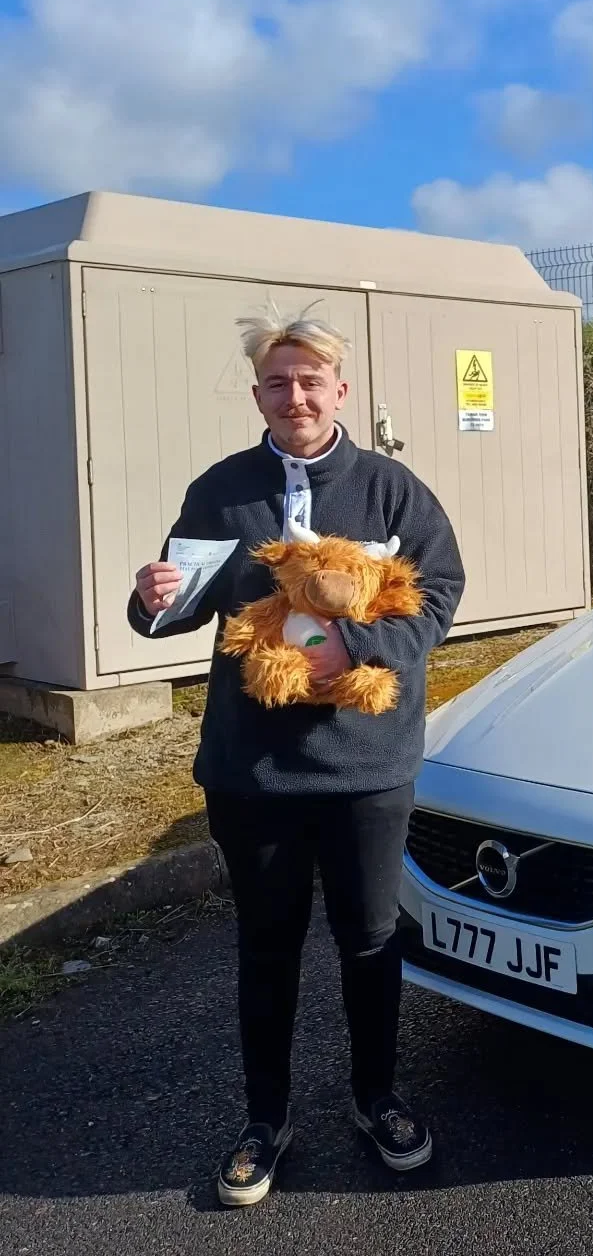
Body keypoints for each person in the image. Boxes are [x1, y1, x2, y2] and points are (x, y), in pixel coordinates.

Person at [129, 305, 465, 1207]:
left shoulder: (395, 492)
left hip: (368, 767)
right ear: (258, 396)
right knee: (266, 946)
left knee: (369, 942)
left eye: (311, 381)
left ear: (340, 391)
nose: (295, 396)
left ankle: (377, 1098)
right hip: (254, 772)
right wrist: (150, 595)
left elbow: (438, 597)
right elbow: (178, 602)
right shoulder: (222, 490)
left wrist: (359, 653)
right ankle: (265, 1119)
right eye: (278, 383)